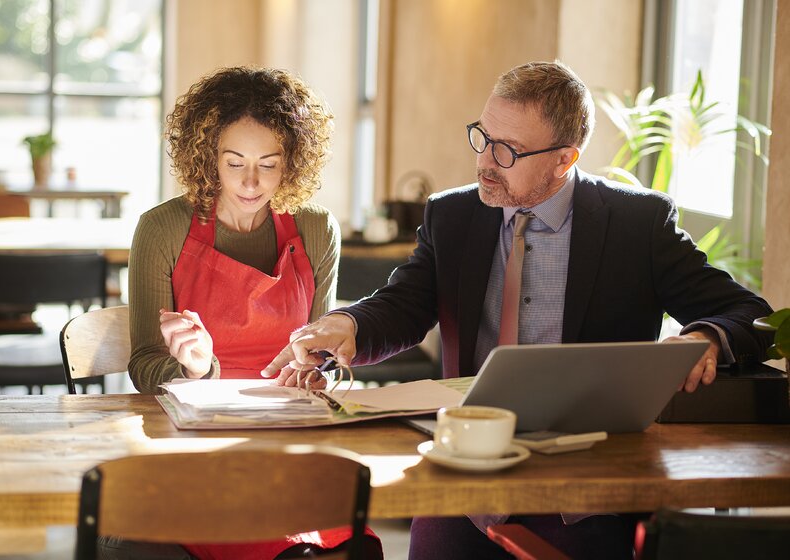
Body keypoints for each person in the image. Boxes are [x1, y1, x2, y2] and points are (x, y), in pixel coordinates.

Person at [262, 61, 774, 560]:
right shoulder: (452, 214)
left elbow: (749, 313)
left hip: (583, 484)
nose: (485, 160)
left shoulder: (636, 224)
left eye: (508, 150)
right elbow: (405, 304)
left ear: (564, 159)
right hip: (466, 478)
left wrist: (705, 337)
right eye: (483, 136)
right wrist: (347, 325)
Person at [125, 66, 382, 560]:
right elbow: (143, 364)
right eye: (234, 162)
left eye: (268, 163)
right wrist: (195, 368)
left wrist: (317, 367)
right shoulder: (163, 228)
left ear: (291, 163)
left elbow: (320, 346)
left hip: (289, 434)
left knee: (350, 546)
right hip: (193, 439)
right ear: (207, 159)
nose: (250, 181)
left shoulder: (314, 228)